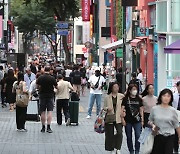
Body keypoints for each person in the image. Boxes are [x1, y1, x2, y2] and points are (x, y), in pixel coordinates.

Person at [149, 89, 180, 154]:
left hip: (170, 137)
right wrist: (153, 125)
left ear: (171, 98)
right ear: (160, 97)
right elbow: (150, 121)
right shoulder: (154, 109)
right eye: (164, 96)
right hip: (157, 136)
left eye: (168, 96)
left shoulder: (173, 110)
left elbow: (177, 125)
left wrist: (179, 137)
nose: (166, 98)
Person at [103, 82, 125, 154]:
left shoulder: (122, 96)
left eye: (117, 87)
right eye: (114, 87)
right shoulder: (107, 97)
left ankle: (118, 148)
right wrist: (107, 108)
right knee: (110, 134)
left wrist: (123, 112)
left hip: (119, 117)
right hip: (110, 117)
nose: (116, 88)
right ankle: (111, 148)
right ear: (111, 88)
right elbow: (104, 107)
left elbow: (124, 106)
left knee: (119, 133)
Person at [122, 84, 144, 154]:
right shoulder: (125, 99)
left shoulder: (139, 99)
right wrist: (122, 119)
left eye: (136, 89)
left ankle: (137, 150)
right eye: (133, 89)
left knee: (138, 135)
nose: (135, 91)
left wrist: (142, 120)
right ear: (129, 90)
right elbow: (122, 109)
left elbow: (141, 109)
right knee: (129, 136)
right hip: (128, 120)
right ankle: (131, 150)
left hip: (137, 120)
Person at [36, 66, 57, 133]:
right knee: (49, 111)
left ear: (44, 70)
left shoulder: (40, 77)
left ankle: (43, 127)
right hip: (50, 95)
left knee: (42, 112)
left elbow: (37, 86)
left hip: (42, 95)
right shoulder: (52, 78)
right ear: (50, 70)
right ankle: (48, 127)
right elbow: (56, 86)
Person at [172, 81, 180, 153]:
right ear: (177, 87)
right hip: (176, 117)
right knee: (176, 134)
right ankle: (176, 149)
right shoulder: (174, 96)